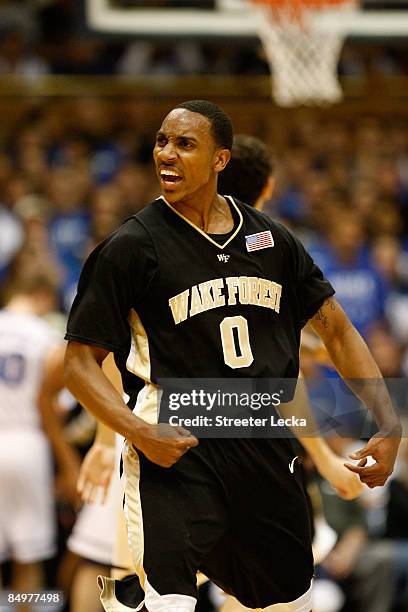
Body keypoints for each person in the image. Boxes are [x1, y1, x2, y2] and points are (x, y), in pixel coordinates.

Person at [64, 100, 401, 612]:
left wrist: (387, 423)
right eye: (161, 141)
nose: (166, 154)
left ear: (221, 160)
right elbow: (82, 361)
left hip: (261, 443)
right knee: (153, 597)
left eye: (184, 143)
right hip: (175, 441)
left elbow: (335, 331)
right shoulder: (131, 246)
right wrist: (127, 432)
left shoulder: (273, 239)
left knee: (288, 603)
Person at [0, 273, 80, 611]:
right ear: (44, 296)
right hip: (28, 442)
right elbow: (59, 407)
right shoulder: (46, 334)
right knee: (28, 558)